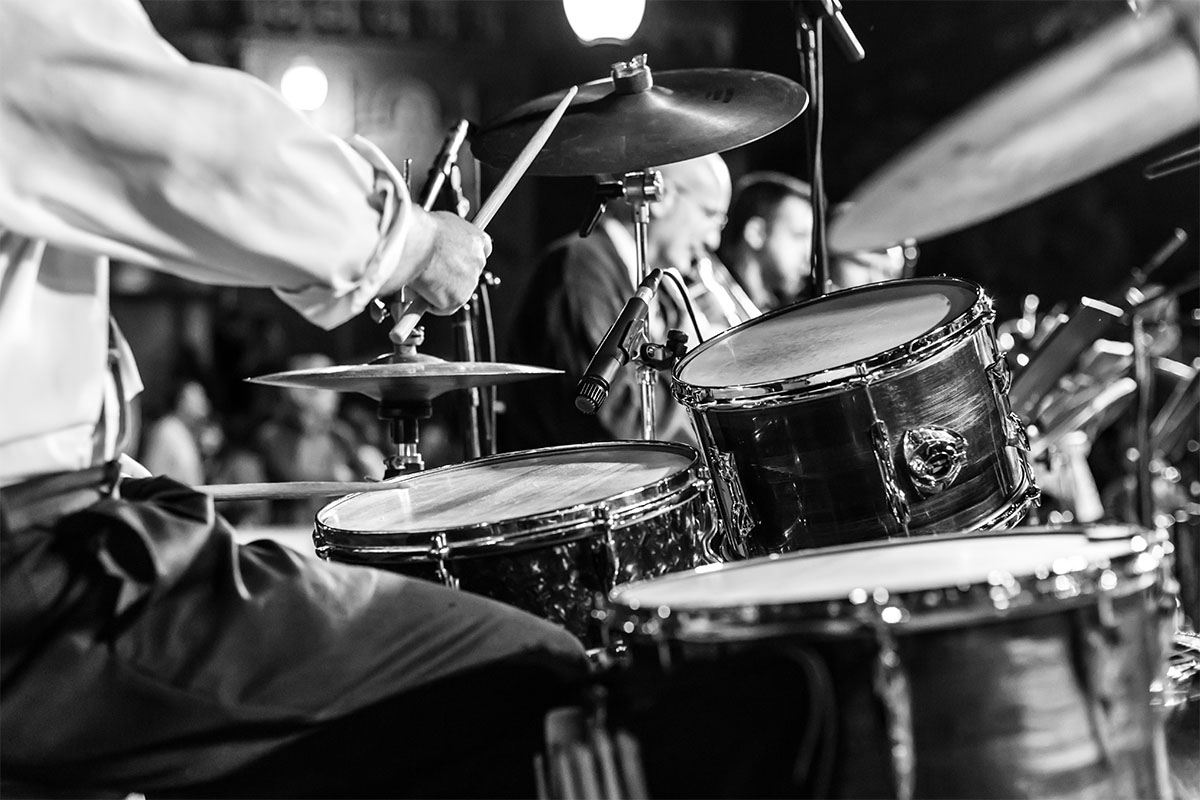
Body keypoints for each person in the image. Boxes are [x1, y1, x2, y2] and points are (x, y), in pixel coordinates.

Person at [0, 1, 588, 796]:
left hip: (47, 548)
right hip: (35, 587)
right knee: (535, 673)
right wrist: (409, 243)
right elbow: (187, 144)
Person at [506, 153, 751, 450]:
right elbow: (618, 419)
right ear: (662, 196)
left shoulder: (662, 287)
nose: (713, 241)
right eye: (709, 214)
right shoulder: (581, 268)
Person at [253, 353, 386, 525]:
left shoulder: (340, 432)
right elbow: (294, 476)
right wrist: (339, 476)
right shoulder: (272, 434)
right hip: (292, 530)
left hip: (339, 525)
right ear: (300, 392)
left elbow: (370, 470)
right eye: (328, 387)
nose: (336, 395)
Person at [719, 171, 815, 310]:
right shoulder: (713, 304)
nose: (809, 256)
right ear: (756, 233)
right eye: (799, 236)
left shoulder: (775, 307)